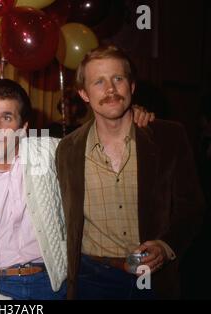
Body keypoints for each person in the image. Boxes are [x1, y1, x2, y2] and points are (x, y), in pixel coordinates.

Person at [0, 78, 154, 300]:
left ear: (23, 128)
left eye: (7, 117)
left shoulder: (50, 153)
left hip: (53, 283)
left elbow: (98, 138)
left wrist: (127, 115)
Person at [55, 45, 205, 300]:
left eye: (118, 79)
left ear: (132, 86)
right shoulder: (66, 149)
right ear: (84, 93)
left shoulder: (170, 137)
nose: (110, 90)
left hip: (155, 280)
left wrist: (165, 245)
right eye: (99, 82)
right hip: (91, 280)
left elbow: (192, 208)